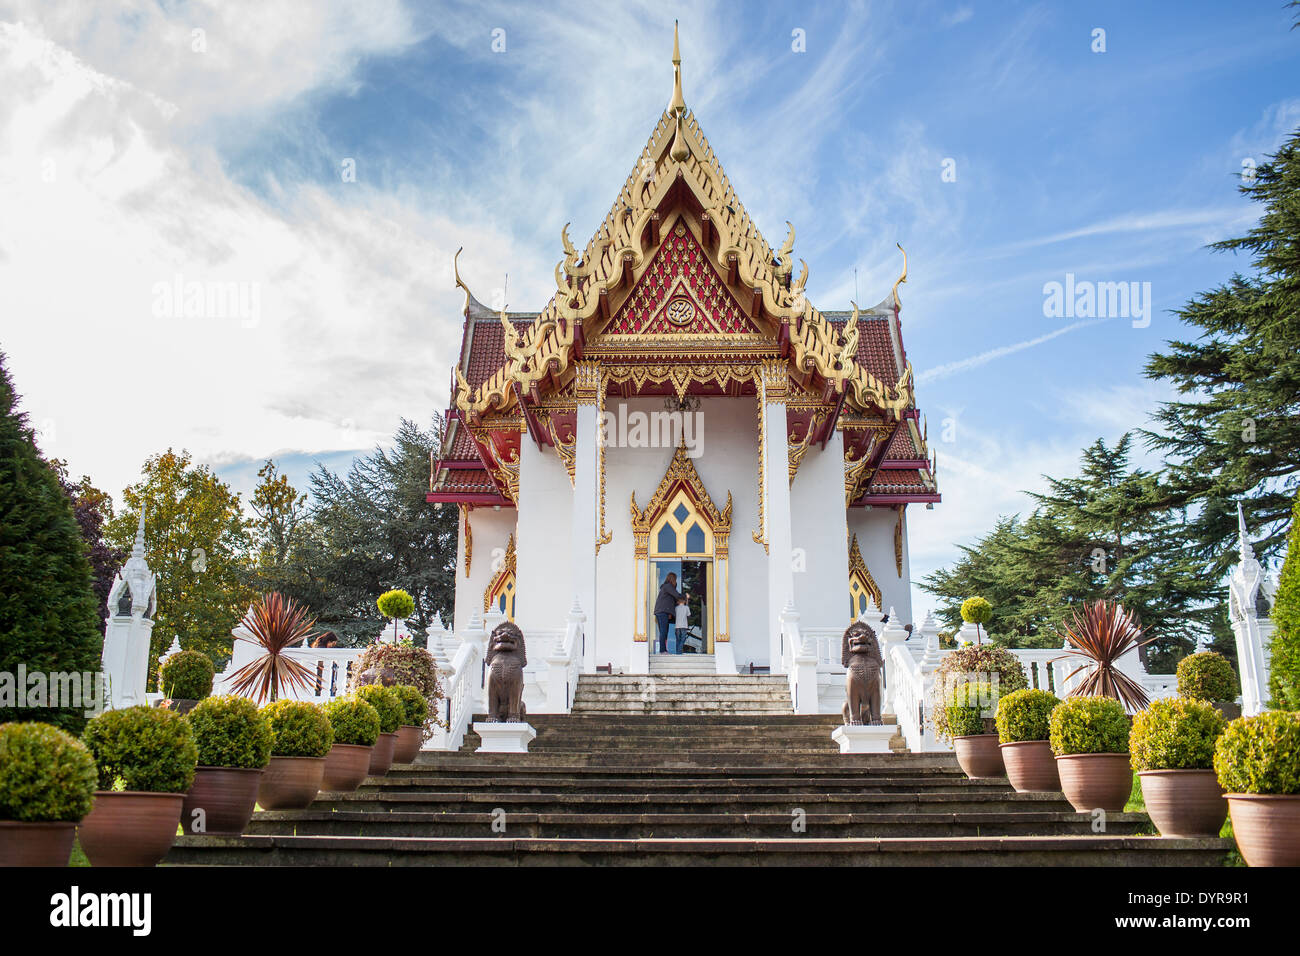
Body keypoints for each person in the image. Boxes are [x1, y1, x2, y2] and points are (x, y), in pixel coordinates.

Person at [653, 573, 684, 653]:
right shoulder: (668, 586)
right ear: (673, 579)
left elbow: (671, 601)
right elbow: (677, 595)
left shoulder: (666, 588)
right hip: (662, 612)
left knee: (664, 631)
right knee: (663, 631)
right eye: (675, 579)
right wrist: (685, 596)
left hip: (662, 612)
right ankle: (662, 650)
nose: (676, 582)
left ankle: (663, 650)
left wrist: (670, 613)